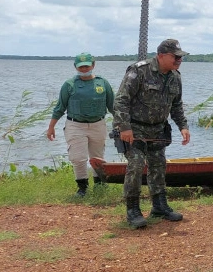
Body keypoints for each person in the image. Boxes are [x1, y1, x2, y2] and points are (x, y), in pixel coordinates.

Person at [113, 39, 191, 228]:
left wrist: (183, 126)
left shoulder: (175, 77)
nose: (179, 60)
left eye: (181, 57)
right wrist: (124, 127)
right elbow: (121, 100)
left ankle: (159, 206)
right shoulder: (139, 70)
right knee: (137, 165)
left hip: (157, 129)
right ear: (161, 55)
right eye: (176, 56)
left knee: (158, 166)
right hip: (135, 128)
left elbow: (177, 105)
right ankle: (133, 210)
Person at [46, 52, 115, 197]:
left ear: (93, 65)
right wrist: (51, 127)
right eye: (81, 67)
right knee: (78, 158)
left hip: (98, 124)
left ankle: (99, 185)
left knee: (98, 157)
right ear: (75, 67)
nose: (84, 69)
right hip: (75, 125)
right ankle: (82, 187)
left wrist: (123, 124)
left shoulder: (102, 83)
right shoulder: (69, 85)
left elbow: (112, 106)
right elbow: (60, 107)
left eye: (87, 66)